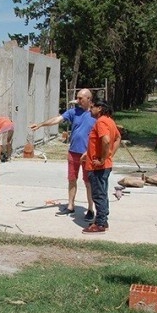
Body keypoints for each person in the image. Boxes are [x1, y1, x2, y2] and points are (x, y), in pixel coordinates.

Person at [30, 88, 96, 221]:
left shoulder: (95, 114)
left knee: (88, 182)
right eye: (77, 98)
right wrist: (41, 125)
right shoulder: (73, 112)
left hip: (88, 154)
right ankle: (70, 205)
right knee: (72, 179)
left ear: (89, 99)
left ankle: (90, 209)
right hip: (73, 153)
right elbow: (57, 119)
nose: (78, 101)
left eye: (80, 98)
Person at [82, 101, 121, 234]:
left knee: (98, 195)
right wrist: (109, 155)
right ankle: (102, 220)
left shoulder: (101, 122)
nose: (90, 109)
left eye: (92, 107)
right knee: (102, 194)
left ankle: (99, 224)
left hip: (98, 166)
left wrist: (103, 158)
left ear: (100, 108)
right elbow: (117, 138)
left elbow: (106, 140)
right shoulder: (110, 121)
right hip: (103, 165)